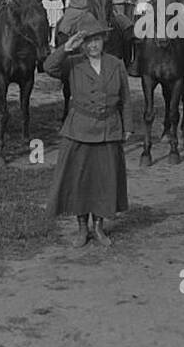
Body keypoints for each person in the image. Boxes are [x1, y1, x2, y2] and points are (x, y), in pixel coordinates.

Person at [43, 12, 130, 248]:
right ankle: (82, 229)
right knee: (79, 182)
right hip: (79, 129)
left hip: (108, 130)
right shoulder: (72, 63)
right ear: (82, 43)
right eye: (88, 41)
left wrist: (128, 126)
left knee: (103, 181)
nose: (93, 45)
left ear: (104, 40)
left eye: (97, 40)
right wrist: (66, 48)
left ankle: (99, 228)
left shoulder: (116, 64)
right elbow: (47, 67)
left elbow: (125, 98)